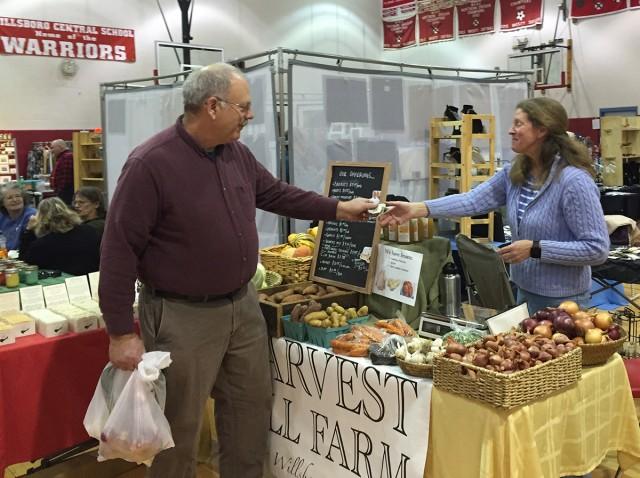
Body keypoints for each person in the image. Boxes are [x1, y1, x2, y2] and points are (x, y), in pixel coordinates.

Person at [98, 63, 375, 478]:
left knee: (249, 413)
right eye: (244, 107)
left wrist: (337, 209)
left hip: (243, 308)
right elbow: (118, 249)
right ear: (212, 106)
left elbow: (278, 194)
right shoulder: (150, 164)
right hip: (181, 316)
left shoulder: (235, 154)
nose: (250, 115)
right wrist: (121, 332)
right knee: (179, 428)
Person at [380, 97, 609, 315]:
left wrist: (535, 248)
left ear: (542, 130)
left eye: (518, 124)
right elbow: (471, 201)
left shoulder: (574, 182)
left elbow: (597, 249)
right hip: (523, 292)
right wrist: (418, 209)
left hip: (564, 303)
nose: (511, 130)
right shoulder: (515, 173)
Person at [19, 197, 100, 275]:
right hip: (93, 282)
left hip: (61, 285)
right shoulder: (89, 230)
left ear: (40, 218)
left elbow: (24, 263)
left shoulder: (42, 245)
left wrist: (28, 230)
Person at [0, 182, 36, 250]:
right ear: (2, 203)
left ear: (23, 198)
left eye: (18, 196)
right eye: (9, 198)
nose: (15, 200)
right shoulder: (2, 216)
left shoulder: (32, 215)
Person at [50, 139, 74, 205]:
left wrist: (60, 191)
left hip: (66, 193)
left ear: (60, 147)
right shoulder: (62, 157)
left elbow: (66, 177)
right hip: (63, 192)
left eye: (53, 148)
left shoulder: (67, 157)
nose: (51, 150)